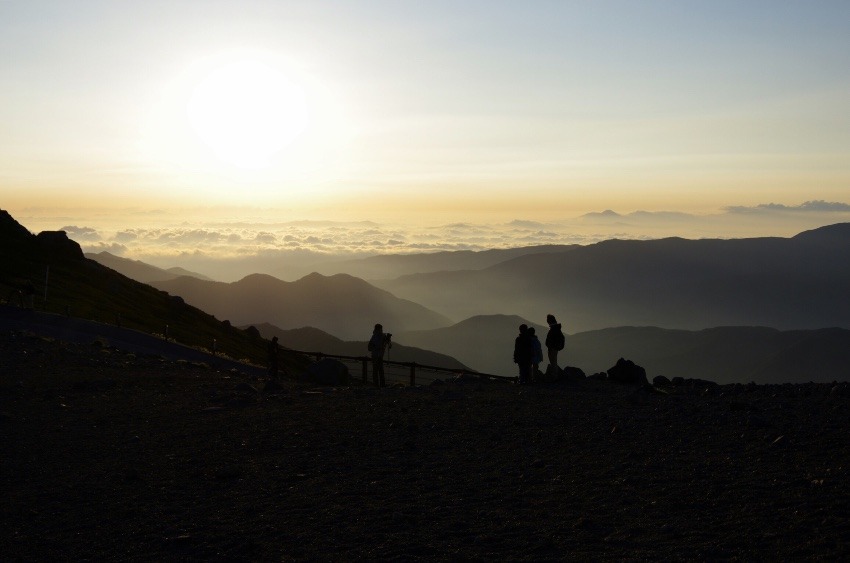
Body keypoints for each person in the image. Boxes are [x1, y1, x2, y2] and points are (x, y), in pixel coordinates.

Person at [368, 323, 390, 387]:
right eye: (381, 329)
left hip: (375, 356)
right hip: (378, 356)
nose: (381, 330)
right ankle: (381, 385)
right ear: (379, 329)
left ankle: (376, 385)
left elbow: (369, 347)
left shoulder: (374, 336)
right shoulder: (381, 336)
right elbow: (388, 343)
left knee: (376, 371)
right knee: (380, 371)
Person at [545, 314, 565, 378]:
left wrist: (551, 346)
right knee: (554, 362)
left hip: (552, 348)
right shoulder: (556, 329)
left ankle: (554, 376)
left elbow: (551, 339)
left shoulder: (553, 329)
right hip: (554, 348)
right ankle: (555, 375)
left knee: (553, 362)